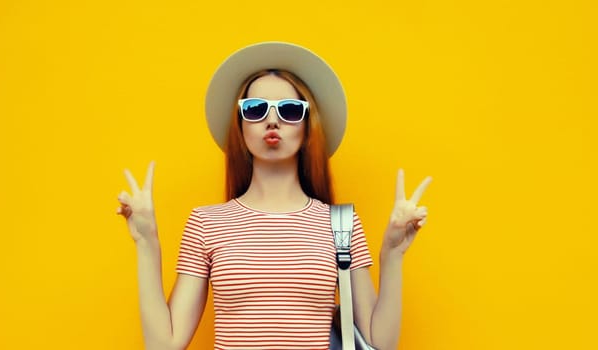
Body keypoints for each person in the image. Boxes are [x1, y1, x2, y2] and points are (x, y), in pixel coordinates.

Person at [117, 42, 431, 350]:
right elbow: (164, 345)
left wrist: (392, 256)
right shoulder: (206, 223)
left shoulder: (342, 225)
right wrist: (147, 243)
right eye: (254, 109)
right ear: (240, 127)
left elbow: (381, 345)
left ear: (309, 127)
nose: (272, 120)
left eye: (290, 109)